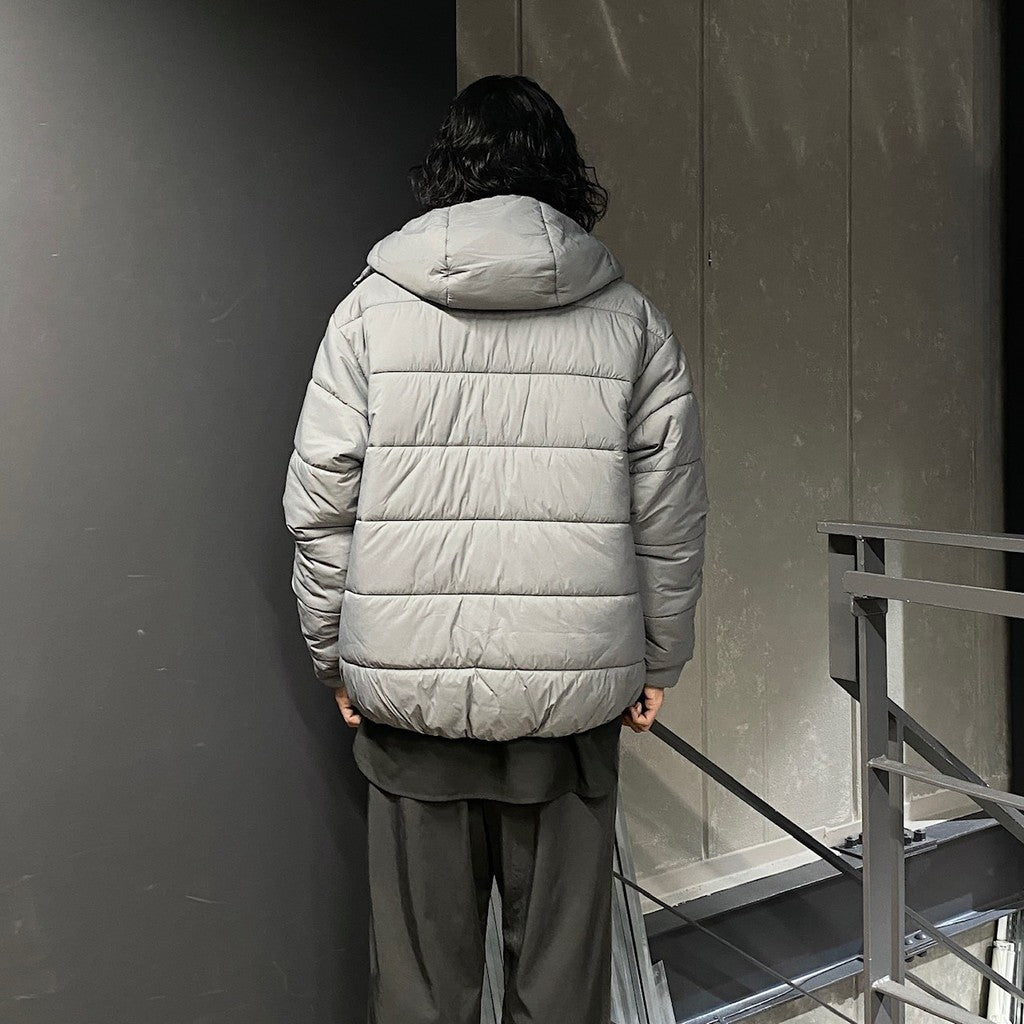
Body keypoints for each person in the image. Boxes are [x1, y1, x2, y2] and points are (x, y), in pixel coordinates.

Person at [282, 74, 709, 1024]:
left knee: (421, 996)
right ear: (563, 176)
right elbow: (671, 515)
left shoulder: (368, 315)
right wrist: (659, 658)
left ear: (447, 172)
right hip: (568, 721)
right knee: (558, 996)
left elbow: (319, 506)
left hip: (413, 715)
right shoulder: (631, 323)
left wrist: (334, 655)